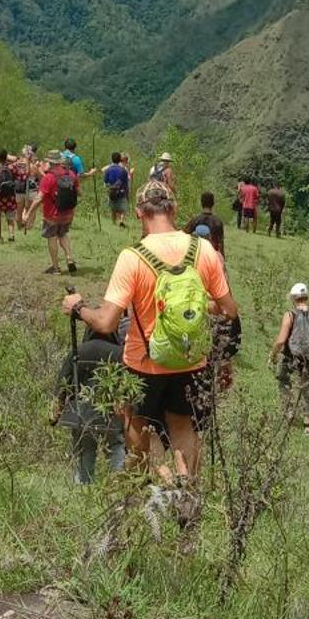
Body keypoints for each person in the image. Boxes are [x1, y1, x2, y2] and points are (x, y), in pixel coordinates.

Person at [63, 179, 238, 481]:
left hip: (143, 362)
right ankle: (188, 491)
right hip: (191, 359)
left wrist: (77, 307)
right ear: (175, 209)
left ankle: (159, 482)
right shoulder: (204, 250)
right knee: (183, 425)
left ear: (139, 214)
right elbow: (229, 310)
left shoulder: (132, 257)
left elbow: (106, 323)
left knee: (136, 420)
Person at [53, 315, 127, 484]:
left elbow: (62, 387)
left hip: (81, 414)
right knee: (116, 447)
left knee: (84, 452)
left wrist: (54, 416)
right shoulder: (120, 354)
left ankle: (82, 491)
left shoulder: (77, 352)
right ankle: (120, 487)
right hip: (111, 414)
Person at [269, 282, 309, 435]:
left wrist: (273, 354)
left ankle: (289, 415)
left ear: (293, 298)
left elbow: (281, 340)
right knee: (308, 389)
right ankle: (308, 426)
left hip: (292, 357)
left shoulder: (290, 314)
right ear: (307, 297)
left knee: (284, 382)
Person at [23, 150, 79, 275]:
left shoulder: (48, 178)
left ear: (50, 162)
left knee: (52, 238)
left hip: (52, 215)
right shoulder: (71, 175)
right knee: (63, 234)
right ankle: (69, 258)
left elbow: (39, 198)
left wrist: (28, 214)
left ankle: (56, 268)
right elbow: (77, 192)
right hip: (67, 213)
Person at [96, 150, 133, 229]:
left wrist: (108, 189)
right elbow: (126, 182)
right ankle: (121, 221)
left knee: (113, 208)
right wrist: (127, 192)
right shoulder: (124, 170)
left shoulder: (108, 169)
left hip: (112, 191)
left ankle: (113, 223)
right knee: (123, 208)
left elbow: (105, 181)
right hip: (122, 191)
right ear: (120, 159)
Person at [185, 189, 226, 254]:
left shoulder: (194, 220)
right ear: (213, 203)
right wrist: (222, 260)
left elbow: (185, 237)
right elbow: (221, 244)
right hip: (212, 255)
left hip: (197, 255)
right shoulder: (218, 221)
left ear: (201, 203)